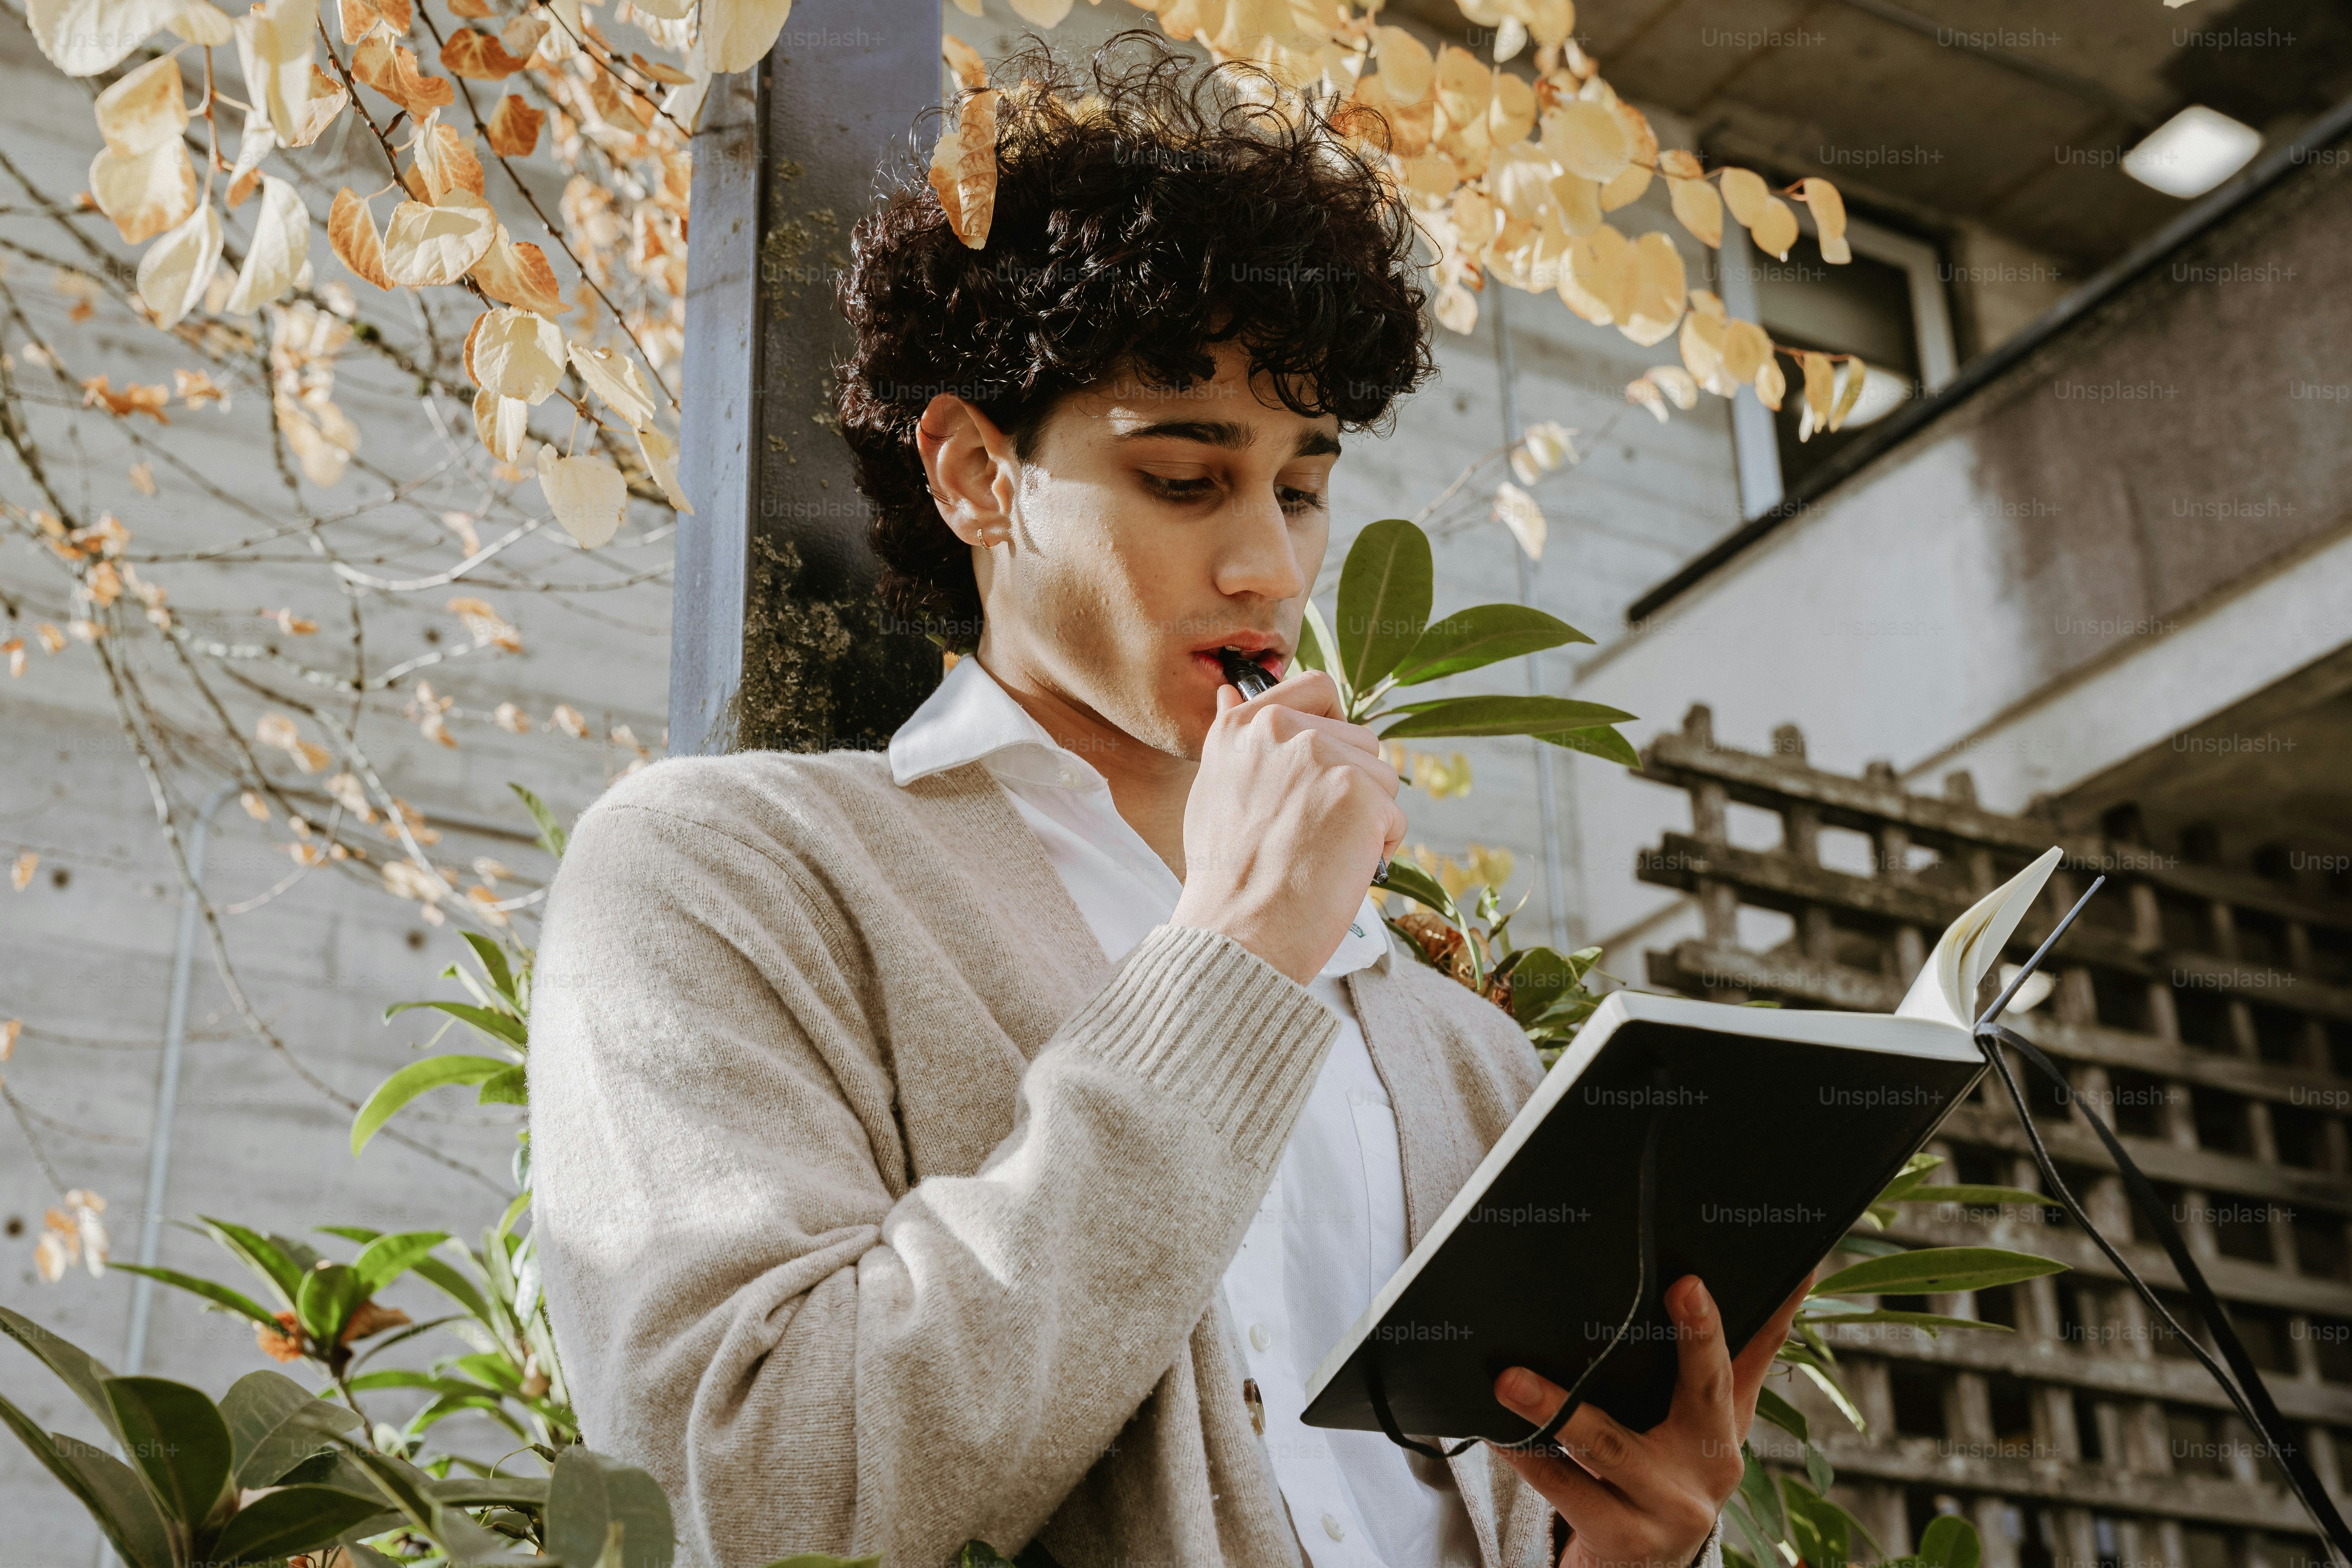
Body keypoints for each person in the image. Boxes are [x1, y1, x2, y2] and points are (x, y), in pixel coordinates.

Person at [528, 34, 1806, 1568]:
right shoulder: (722, 870)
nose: (1267, 560)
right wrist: (1238, 955)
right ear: (975, 476)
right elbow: (748, 1490)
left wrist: (1638, 1546)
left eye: (1303, 484)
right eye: (1188, 481)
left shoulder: (1452, 1047)